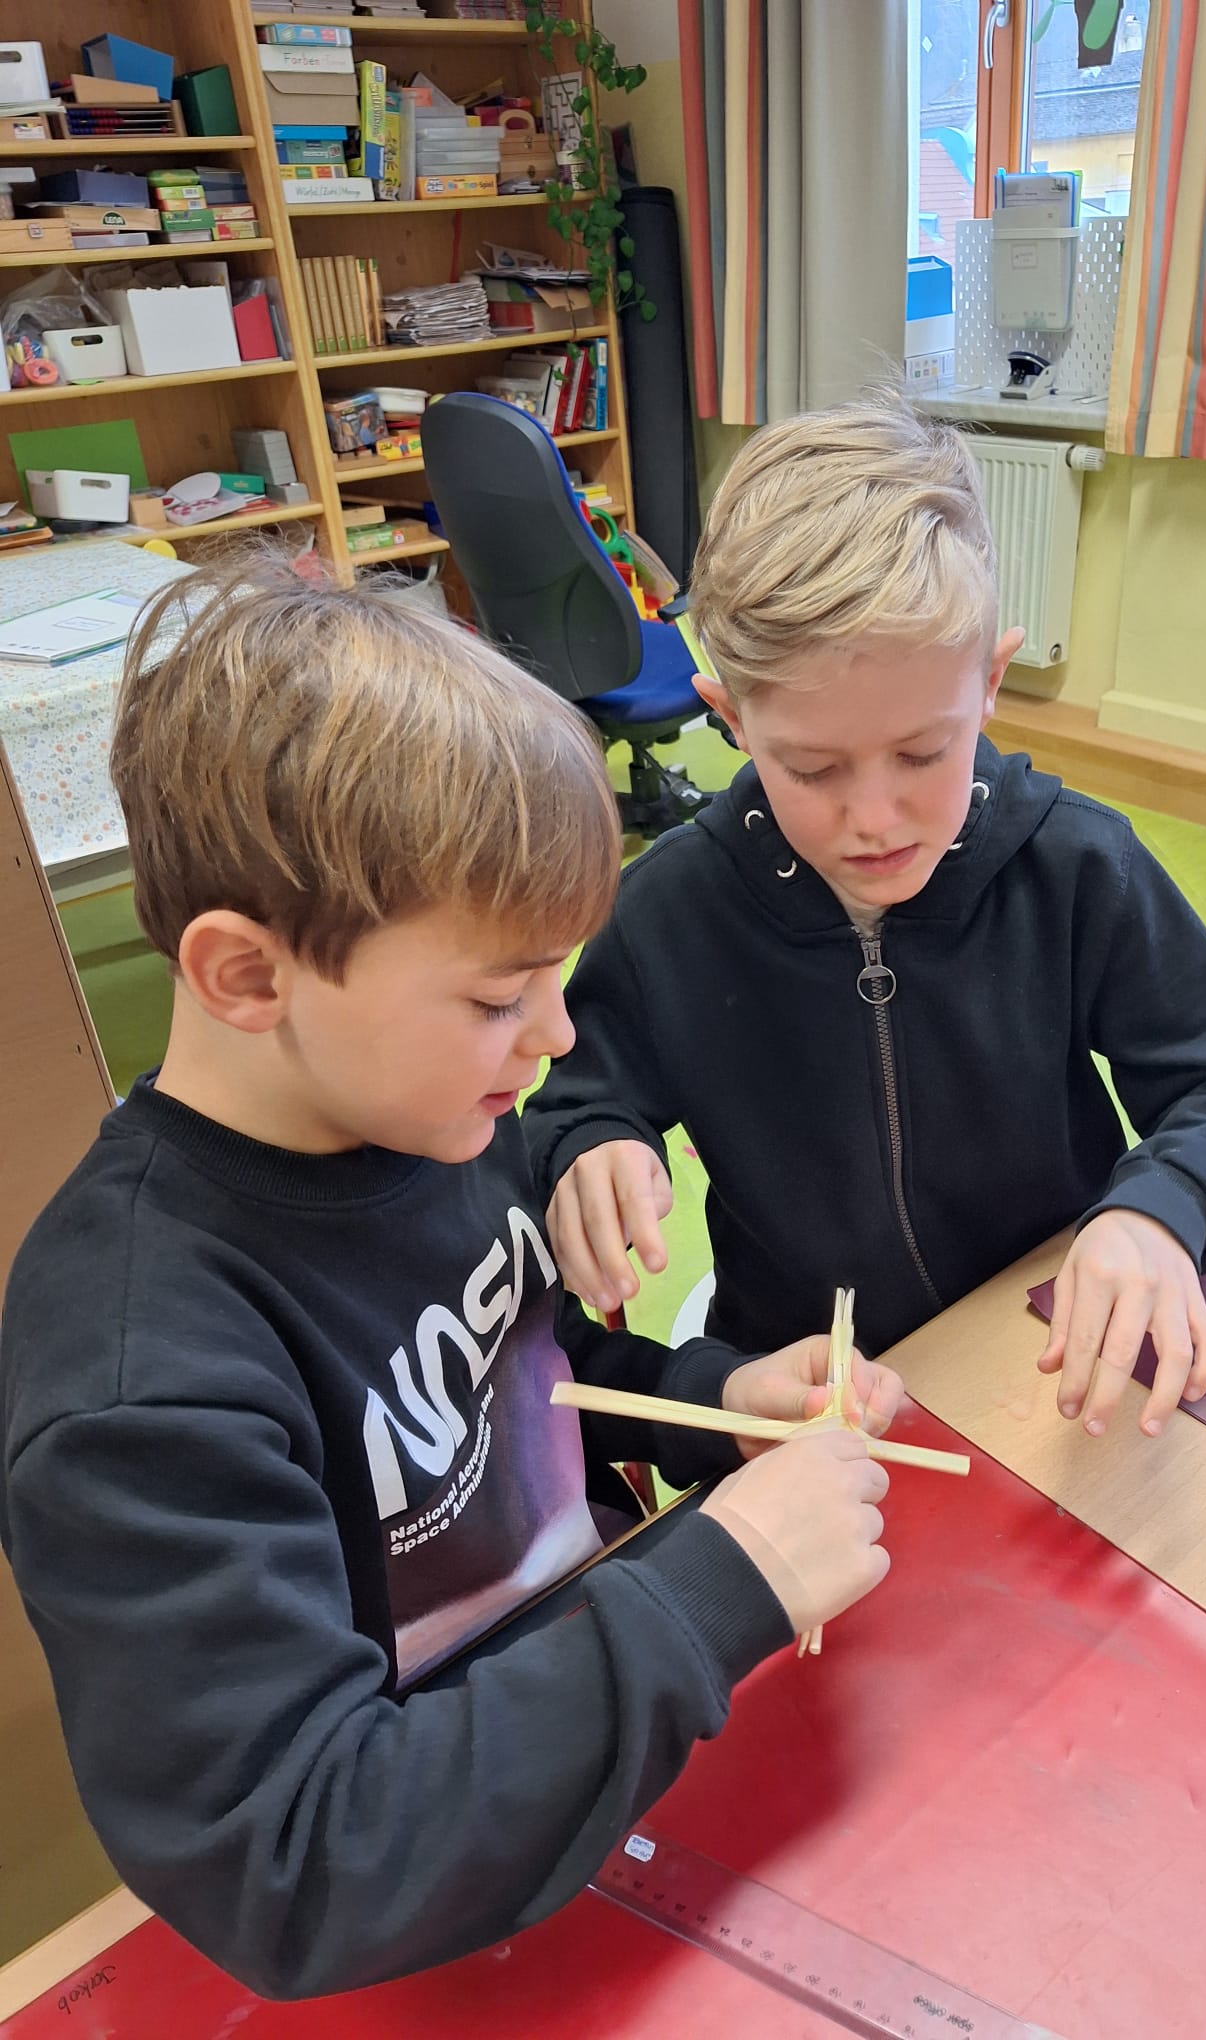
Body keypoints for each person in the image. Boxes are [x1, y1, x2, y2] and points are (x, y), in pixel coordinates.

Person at [0, 563, 900, 2001]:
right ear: (248, 977)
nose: (555, 1037)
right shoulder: (136, 1381)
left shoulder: (429, 1117)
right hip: (435, 1921)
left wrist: (711, 1403)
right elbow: (299, 1862)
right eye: (495, 996)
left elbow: (532, 1388)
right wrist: (716, 1588)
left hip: (610, 1775)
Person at [523, 392, 1206, 1442]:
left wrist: (1161, 1210)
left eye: (923, 753)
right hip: (811, 1409)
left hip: (1048, 1363)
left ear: (992, 683)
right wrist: (592, 1147)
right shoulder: (667, 915)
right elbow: (571, 1103)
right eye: (813, 768)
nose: (875, 819)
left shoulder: (1076, 867)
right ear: (731, 718)